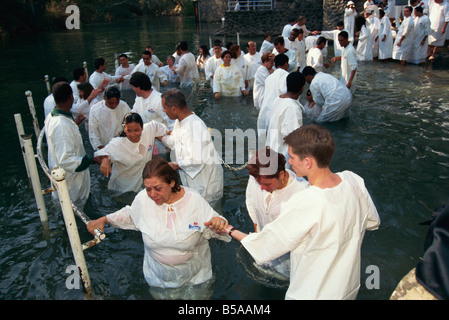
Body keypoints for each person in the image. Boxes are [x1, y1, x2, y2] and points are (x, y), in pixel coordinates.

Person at [206, 124, 381, 300]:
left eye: (292, 157)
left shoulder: (305, 201)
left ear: (308, 162)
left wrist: (228, 229)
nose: (289, 161)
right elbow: (373, 222)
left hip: (314, 292)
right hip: (347, 287)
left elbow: (265, 245)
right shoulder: (354, 180)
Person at [87, 158, 231, 298]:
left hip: (196, 279)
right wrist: (103, 220)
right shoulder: (143, 199)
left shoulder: (194, 201)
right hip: (159, 281)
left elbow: (218, 224)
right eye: (148, 188)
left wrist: (219, 223)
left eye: (158, 188)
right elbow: (130, 214)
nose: (152, 194)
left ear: (172, 182)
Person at [244, 147, 309, 276]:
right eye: (259, 183)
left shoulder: (303, 192)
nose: (262, 188)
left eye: (267, 184)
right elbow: (252, 205)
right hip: (263, 251)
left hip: (290, 261)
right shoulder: (257, 179)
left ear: (281, 174)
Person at [161, 88, 224, 208]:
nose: (164, 111)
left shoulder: (195, 126)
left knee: (211, 218)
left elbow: (197, 159)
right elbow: (175, 142)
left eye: (165, 108)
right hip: (195, 182)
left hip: (206, 184)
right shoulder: (180, 122)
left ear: (173, 108)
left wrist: (174, 165)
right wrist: (158, 134)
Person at [44, 82, 98, 207]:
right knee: (75, 215)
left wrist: (74, 124)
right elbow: (66, 160)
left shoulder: (52, 117)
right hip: (72, 187)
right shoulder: (62, 125)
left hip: (63, 182)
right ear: (70, 97)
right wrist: (92, 160)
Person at [94, 113, 170, 194]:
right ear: (124, 130)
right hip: (123, 190)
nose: (133, 135)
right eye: (129, 131)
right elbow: (97, 155)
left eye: (137, 130)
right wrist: (105, 159)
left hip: (141, 185)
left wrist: (171, 133)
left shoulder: (149, 130)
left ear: (142, 128)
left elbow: (157, 126)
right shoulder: (117, 144)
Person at [265, 72, 306, 162]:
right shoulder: (292, 107)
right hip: (283, 157)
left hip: (272, 149)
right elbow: (294, 139)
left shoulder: (279, 99)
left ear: (286, 84)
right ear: (302, 88)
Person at [88, 86, 132, 151]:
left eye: (117, 103)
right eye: (111, 103)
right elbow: (93, 134)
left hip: (122, 145)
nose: (114, 105)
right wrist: (101, 149)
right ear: (104, 98)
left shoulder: (124, 106)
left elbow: (131, 123)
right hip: (104, 147)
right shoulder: (95, 110)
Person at [257, 53, 289, 137]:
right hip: (276, 116)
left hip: (265, 115)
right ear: (286, 64)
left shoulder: (269, 77)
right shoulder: (286, 75)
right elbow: (285, 92)